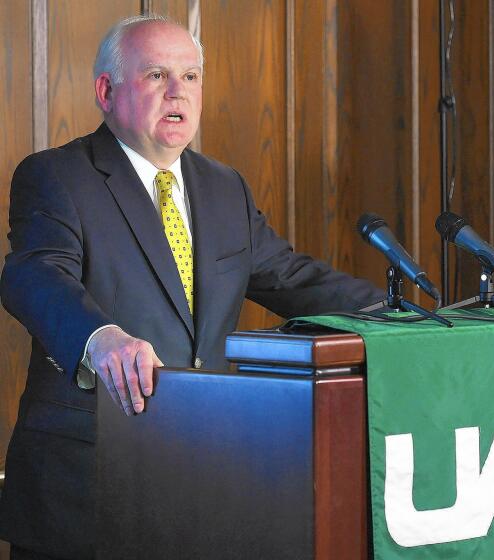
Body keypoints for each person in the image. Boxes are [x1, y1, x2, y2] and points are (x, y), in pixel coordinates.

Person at [0, 15, 383, 559]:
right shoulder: (58, 175)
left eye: (192, 76)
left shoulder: (223, 186)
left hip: (199, 477)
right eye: (157, 75)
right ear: (106, 91)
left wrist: (403, 313)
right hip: (86, 481)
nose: (179, 91)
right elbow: (35, 275)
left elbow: (292, 277)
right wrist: (101, 337)